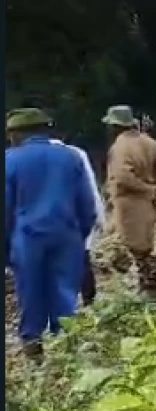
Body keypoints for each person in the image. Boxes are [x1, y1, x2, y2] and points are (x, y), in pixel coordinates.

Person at [6, 107, 98, 359]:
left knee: (30, 291)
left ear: (18, 133)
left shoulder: (9, 161)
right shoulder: (70, 157)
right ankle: (65, 346)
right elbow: (87, 206)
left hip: (27, 238)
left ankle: (33, 346)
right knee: (65, 292)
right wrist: (79, 236)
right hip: (67, 236)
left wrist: (6, 249)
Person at [102, 105, 156, 298]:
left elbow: (121, 177)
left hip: (129, 203)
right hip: (150, 203)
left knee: (136, 247)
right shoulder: (150, 142)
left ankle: (149, 288)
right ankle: (150, 285)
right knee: (146, 243)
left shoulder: (119, 147)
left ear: (115, 126)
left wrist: (147, 190)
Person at [47, 131, 105, 307]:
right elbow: (90, 186)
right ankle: (89, 302)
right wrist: (100, 216)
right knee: (83, 260)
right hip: (77, 218)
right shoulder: (76, 154)